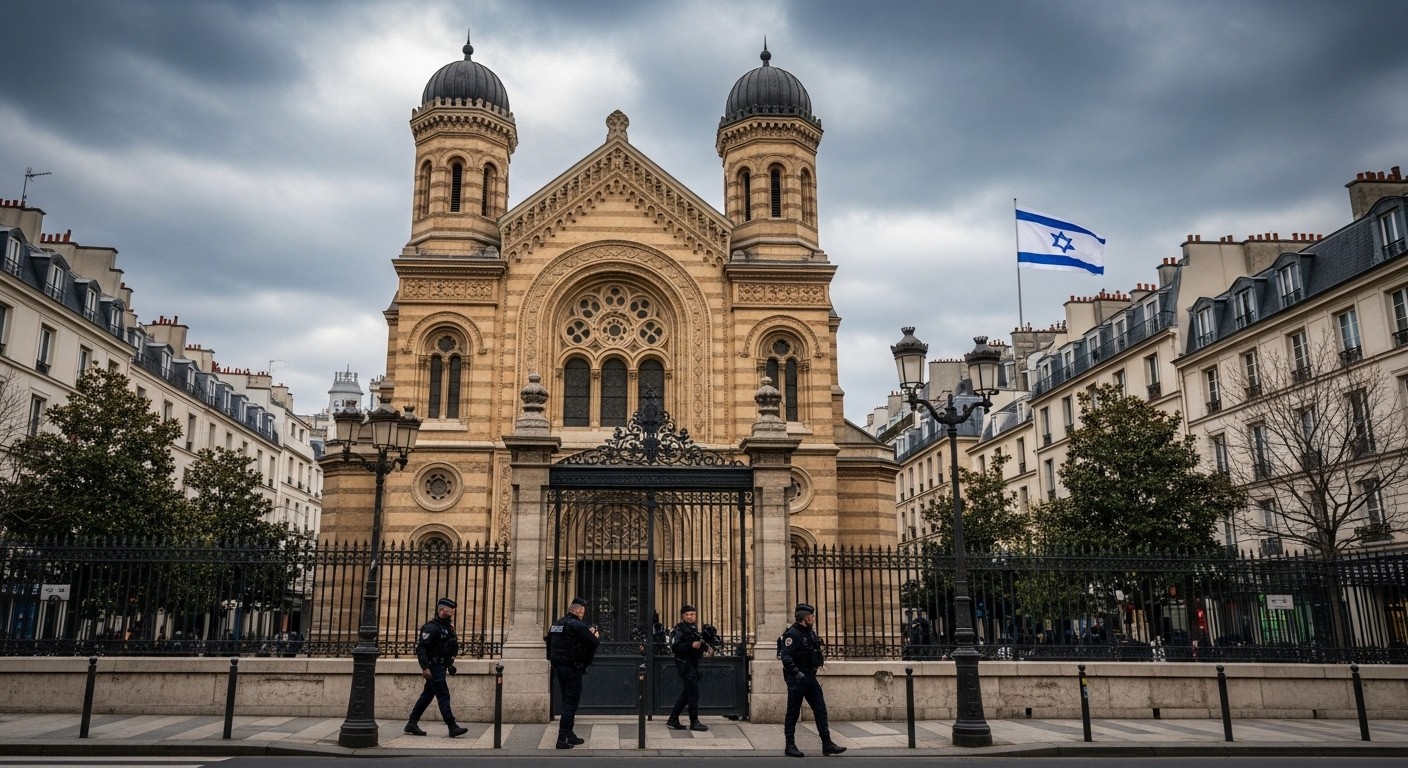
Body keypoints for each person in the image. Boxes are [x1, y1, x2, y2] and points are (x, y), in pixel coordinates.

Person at [779, 603, 845, 758]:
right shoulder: (792, 634)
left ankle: (827, 744)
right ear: (804, 618)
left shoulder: (809, 633)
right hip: (797, 679)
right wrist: (797, 673)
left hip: (810, 677)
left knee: (820, 709)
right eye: (811, 616)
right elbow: (786, 657)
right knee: (793, 712)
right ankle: (790, 745)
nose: (813, 618)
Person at [404, 597, 469, 738]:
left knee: (427, 695)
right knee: (443, 695)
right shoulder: (431, 627)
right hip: (433, 667)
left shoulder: (447, 627)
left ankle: (412, 722)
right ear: (442, 609)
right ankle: (452, 726)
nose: (453, 611)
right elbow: (421, 648)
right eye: (450, 609)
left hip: (441, 666)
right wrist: (425, 668)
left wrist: (450, 664)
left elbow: (449, 648)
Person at [547, 597, 600, 750]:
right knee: (571, 703)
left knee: (566, 701)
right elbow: (594, 643)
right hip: (572, 667)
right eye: (583, 611)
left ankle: (569, 734)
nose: (583, 614)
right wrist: (594, 635)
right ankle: (561, 738)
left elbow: (548, 643)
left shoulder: (556, 624)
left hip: (558, 667)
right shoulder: (577, 625)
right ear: (579, 610)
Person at [666, 604, 711, 732]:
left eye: (692, 614)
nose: (690, 617)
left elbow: (699, 642)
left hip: (692, 664)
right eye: (687, 615)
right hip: (685, 664)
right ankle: (694, 721)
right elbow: (675, 647)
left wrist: (706, 647)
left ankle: (673, 719)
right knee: (693, 694)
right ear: (682, 616)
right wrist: (691, 645)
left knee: (687, 693)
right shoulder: (679, 629)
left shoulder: (693, 629)